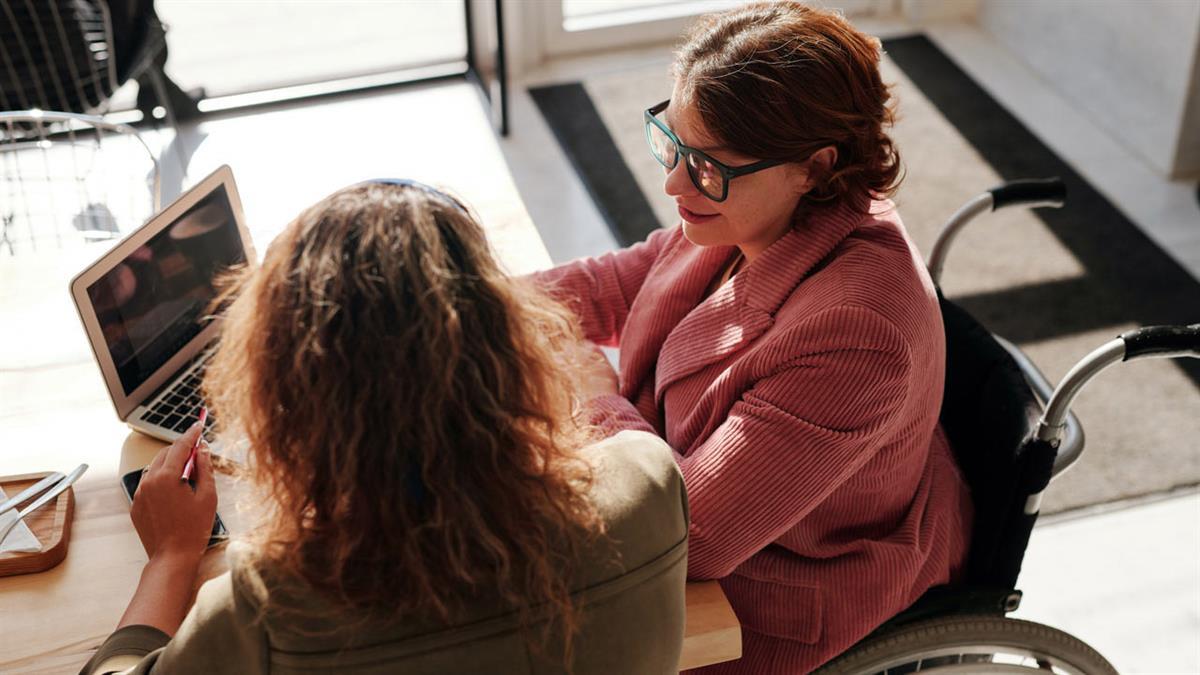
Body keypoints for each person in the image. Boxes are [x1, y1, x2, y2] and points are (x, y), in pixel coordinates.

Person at [81, 180, 689, 675]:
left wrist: (170, 556)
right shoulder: (650, 483)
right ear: (514, 343)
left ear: (286, 396)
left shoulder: (267, 611)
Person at [537, 3, 973, 672]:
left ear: (815, 166)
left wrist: (593, 391)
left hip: (771, 594)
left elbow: (696, 535)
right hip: (697, 503)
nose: (673, 182)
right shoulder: (755, 209)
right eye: (671, 142)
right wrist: (460, 294)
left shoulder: (859, 334)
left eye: (707, 166)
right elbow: (619, 282)